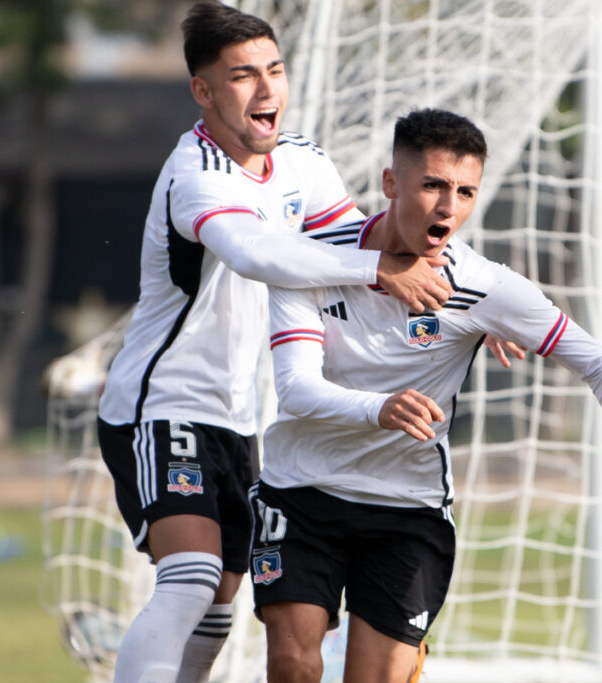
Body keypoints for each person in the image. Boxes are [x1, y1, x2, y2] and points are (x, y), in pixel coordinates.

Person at [94, 3, 470, 681]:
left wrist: (470, 309)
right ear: (203, 92)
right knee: (192, 574)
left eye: (274, 69)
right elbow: (262, 255)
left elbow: (365, 243)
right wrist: (377, 268)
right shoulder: (196, 175)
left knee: (219, 599)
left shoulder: (303, 163)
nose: (267, 89)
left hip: (243, 417)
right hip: (161, 405)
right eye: (242, 76)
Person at [250, 108, 602, 682]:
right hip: (301, 491)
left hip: (406, 507)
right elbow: (297, 390)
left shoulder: (481, 284)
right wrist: (379, 408)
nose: (448, 206)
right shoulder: (311, 260)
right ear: (390, 184)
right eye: (431, 184)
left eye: (464, 191)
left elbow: (599, 361)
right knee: (292, 662)